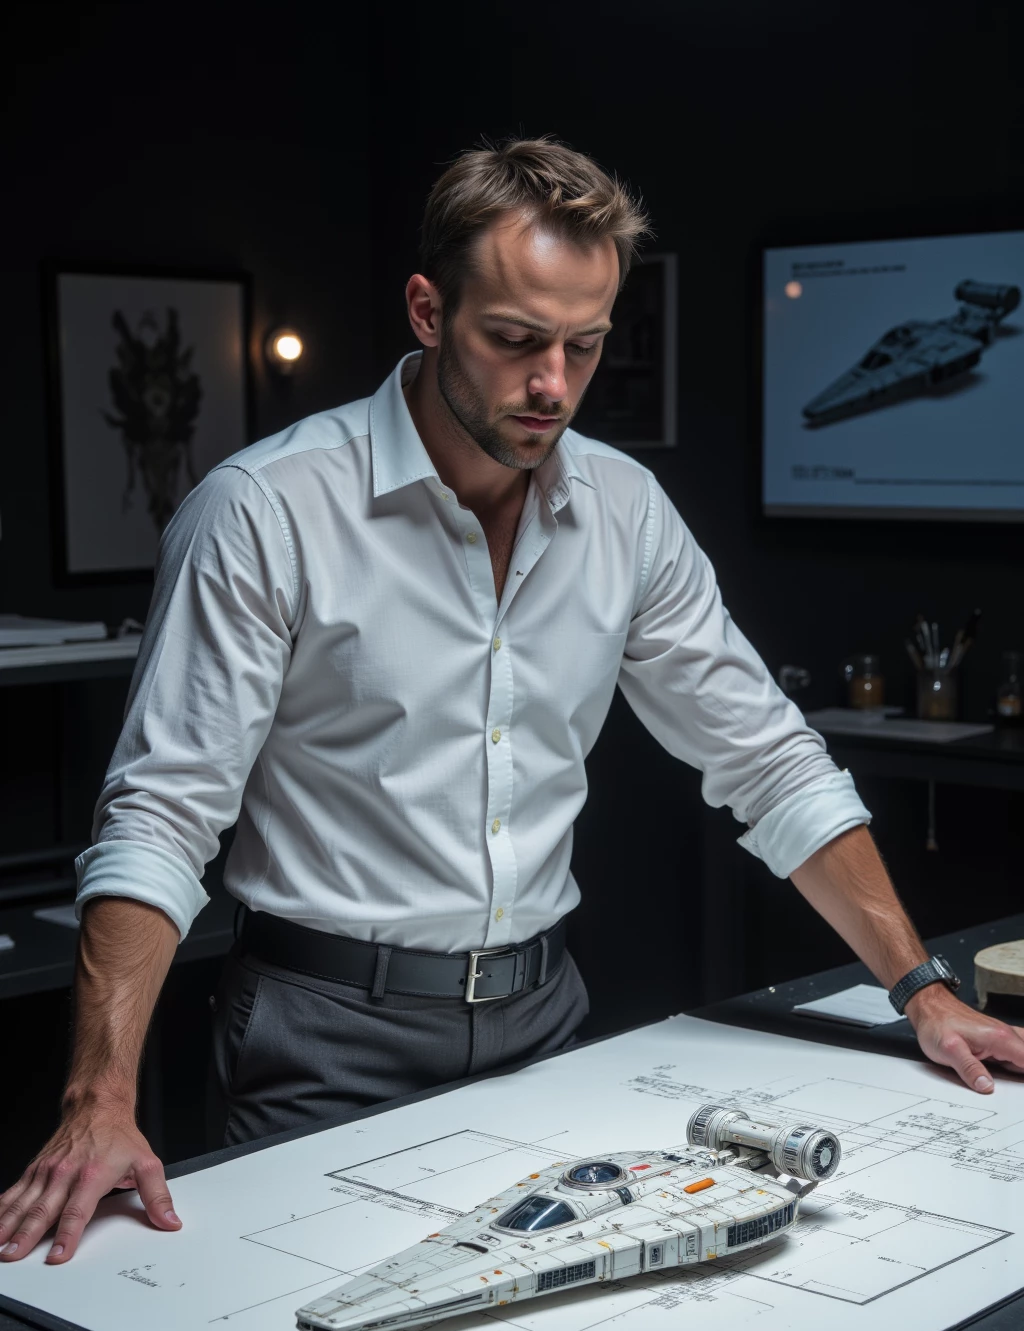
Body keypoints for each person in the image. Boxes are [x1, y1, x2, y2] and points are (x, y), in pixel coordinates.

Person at [3, 138, 1022, 1269]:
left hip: (545, 1023)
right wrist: (99, 1098)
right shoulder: (264, 512)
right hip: (324, 1038)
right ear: (428, 310)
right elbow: (158, 819)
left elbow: (768, 761)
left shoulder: (625, 512)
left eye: (584, 347)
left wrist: (921, 991)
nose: (552, 385)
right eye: (515, 340)